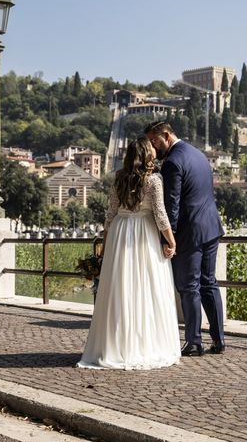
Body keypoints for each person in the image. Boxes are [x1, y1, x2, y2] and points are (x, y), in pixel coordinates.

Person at [77, 137, 181, 370]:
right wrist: (172, 242)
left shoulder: (118, 179)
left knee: (120, 289)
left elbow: (110, 215)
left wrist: (105, 246)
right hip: (143, 234)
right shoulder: (154, 180)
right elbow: (160, 215)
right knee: (147, 288)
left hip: (120, 232)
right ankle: (145, 345)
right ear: (147, 154)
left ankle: (116, 345)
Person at [144, 121, 225, 356]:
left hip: (190, 232)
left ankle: (194, 341)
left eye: (155, 141)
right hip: (211, 227)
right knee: (209, 283)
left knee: (189, 287)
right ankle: (219, 340)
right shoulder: (198, 154)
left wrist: (167, 239)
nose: (153, 147)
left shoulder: (171, 162)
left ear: (166, 136)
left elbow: (172, 206)